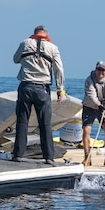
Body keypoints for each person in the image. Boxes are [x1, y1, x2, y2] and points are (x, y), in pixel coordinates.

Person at [12, 24, 66, 164]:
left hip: (26, 87)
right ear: (46, 35)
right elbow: (59, 69)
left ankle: (18, 154)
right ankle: (48, 157)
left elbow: (15, 59)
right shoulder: (53, 48)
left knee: (22, 122)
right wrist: (60, 89)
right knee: (45, 124)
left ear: (34, 33)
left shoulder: (25, 43)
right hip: (42, 89)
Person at [81, 61, 105, 167]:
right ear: (95, 69)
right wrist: (99, 104)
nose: (100, 72)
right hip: (90, 106)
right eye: (99, 69)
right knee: (86, 130)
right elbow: (91, 95)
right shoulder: (89, 80)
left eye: (103, 70)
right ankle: (87, 157)